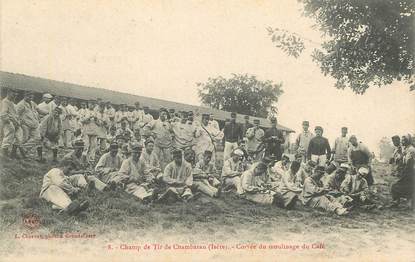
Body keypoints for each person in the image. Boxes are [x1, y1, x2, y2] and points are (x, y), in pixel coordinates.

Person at [389, 135, 415, 209]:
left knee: (396, 186)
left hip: (409, 171)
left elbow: (409, 162)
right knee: (406, 187)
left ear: (408, 141)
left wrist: (405, 171)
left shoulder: (411, 149)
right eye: (402, 140)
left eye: (404, 140)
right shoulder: (406, 149)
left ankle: (405, 204)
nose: (402, 142)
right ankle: (401, 203)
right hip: (406, 170)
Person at [16, 91, 43, 161]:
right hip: (25, 125)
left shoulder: (32, 103)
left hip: (34, 124)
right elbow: (16, 114)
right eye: (29, 97)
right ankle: (18, 153)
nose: (30, 98)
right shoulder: (21, 104)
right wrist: (20, 122)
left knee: (37, 138)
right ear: (25, 96)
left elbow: (39, 110)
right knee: (24, 139)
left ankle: (23, 149)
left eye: (32, 97)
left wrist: (48, 112)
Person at [1, 89, 24, 158]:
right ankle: (4, 153)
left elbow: (16, 114)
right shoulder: (5, 102)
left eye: (16, 94)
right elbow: (3, 114)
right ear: (8, 93)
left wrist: (18, 121)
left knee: (19, 136)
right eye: (13, 93)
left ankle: (13, 153)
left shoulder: (12, 103)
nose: (15, 95)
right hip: (8, 122)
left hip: (16, 122)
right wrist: (9, 122)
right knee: (9, 136)